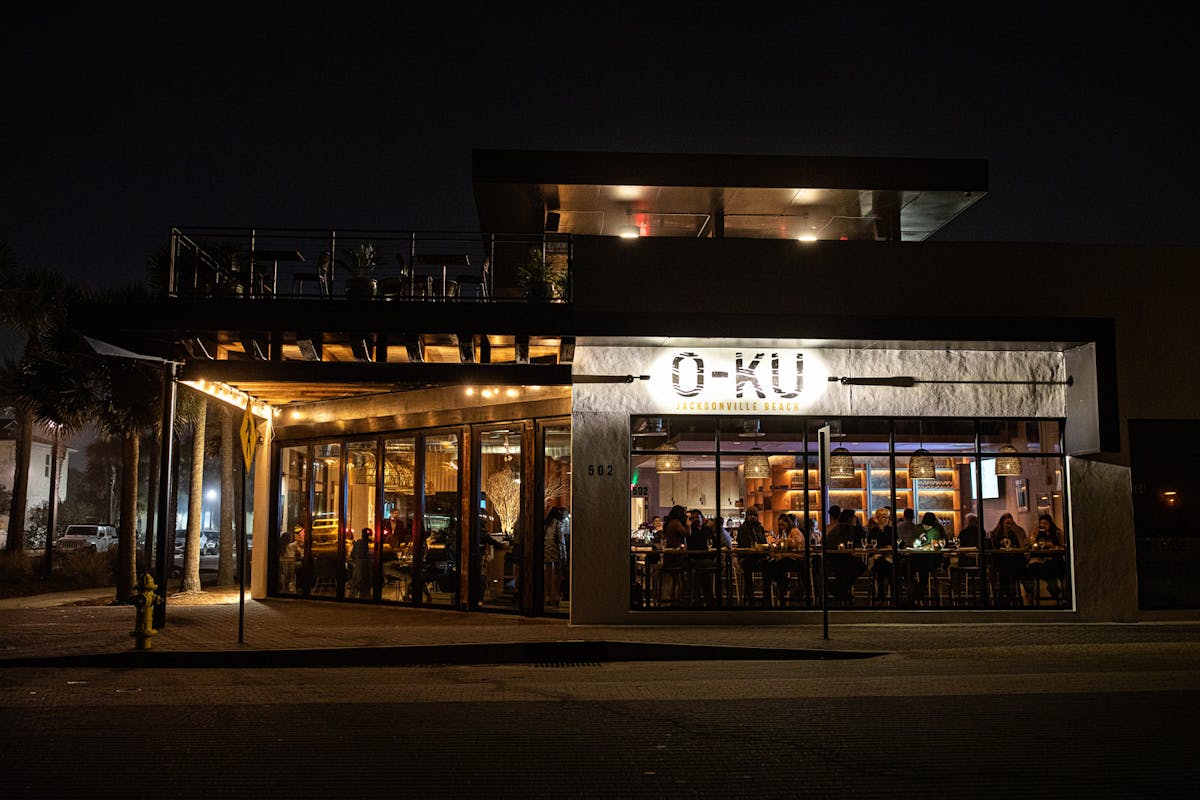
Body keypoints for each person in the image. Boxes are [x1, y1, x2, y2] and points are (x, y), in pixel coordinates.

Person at [988, 513, 1027, 606]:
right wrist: (999, 544)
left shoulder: (1012, 534)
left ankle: (1012, 589)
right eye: (1007, 523)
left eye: (1010, 523)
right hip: (999, 560)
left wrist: (1014, 548)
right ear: (1002, 523)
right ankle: (1009, 590)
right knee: (1006, 563)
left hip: (1011, 559)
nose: (1009, 526)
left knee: (1016, 560)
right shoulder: (995, 534)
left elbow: (1017, 546)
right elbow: (992, 549)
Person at [767, 512, 806, 606]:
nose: (781, 527)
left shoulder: (794, 531)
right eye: (779, 525)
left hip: (798, 559)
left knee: (778, 565)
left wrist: (786, 542)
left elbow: (797, 544)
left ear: (788, 523)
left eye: (783, 524)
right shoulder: (787, 533)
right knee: (774, 564)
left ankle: (782, 588)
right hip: (792, 557)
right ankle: (781, 586)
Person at [1024, 513, 1064, 603]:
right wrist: (1034, 536)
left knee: (1053, 565)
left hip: (1052, 559)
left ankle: (1052, 585)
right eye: (1041, 523)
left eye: (1045, 523)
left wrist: (1053, 546)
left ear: (1050, 524)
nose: (1043, 525)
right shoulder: (1037, 533)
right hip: (1038, 559)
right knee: (1033, 567)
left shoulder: (1056, 532)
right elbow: (1029, 545)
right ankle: (1052, 584)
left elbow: (1062, 547)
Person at [735, 508, 769, 605]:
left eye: (754, 515)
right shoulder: (742, 528)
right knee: (748, 566)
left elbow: (764, 542)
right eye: (750, 515)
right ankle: (750, 598)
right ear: (747, 516)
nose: (753, 517)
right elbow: (744, 544)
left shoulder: (760, 528)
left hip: (758, 557)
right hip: (746, 557)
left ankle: (767, 598)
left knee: (768, 565)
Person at [686, 509, 716, 606]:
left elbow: (713, 543)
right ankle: (704, 597)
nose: (695, 519)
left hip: (705, 558)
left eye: (697, 517)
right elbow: (688, 544)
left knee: (705, 568)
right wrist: (689, 526)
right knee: (703, 569)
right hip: (694, 558)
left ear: (701, 518)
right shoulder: (690, 531)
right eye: (693, 518)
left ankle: (702, 597)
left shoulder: (707, 529)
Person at [544, 507, 567, 607]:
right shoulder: (559, 523)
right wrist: (564, 555)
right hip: (555, 548)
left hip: (546, 548)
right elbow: (561, 540)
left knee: (548, 572)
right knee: (557, 572)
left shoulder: (546, 523)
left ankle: (548, 595)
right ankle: (556, 596)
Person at [350, 527, 372, 599]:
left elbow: (352, 555)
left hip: (358, 570)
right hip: (366, 572)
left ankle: (354, 592)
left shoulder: (357, 543)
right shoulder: (370, 545)